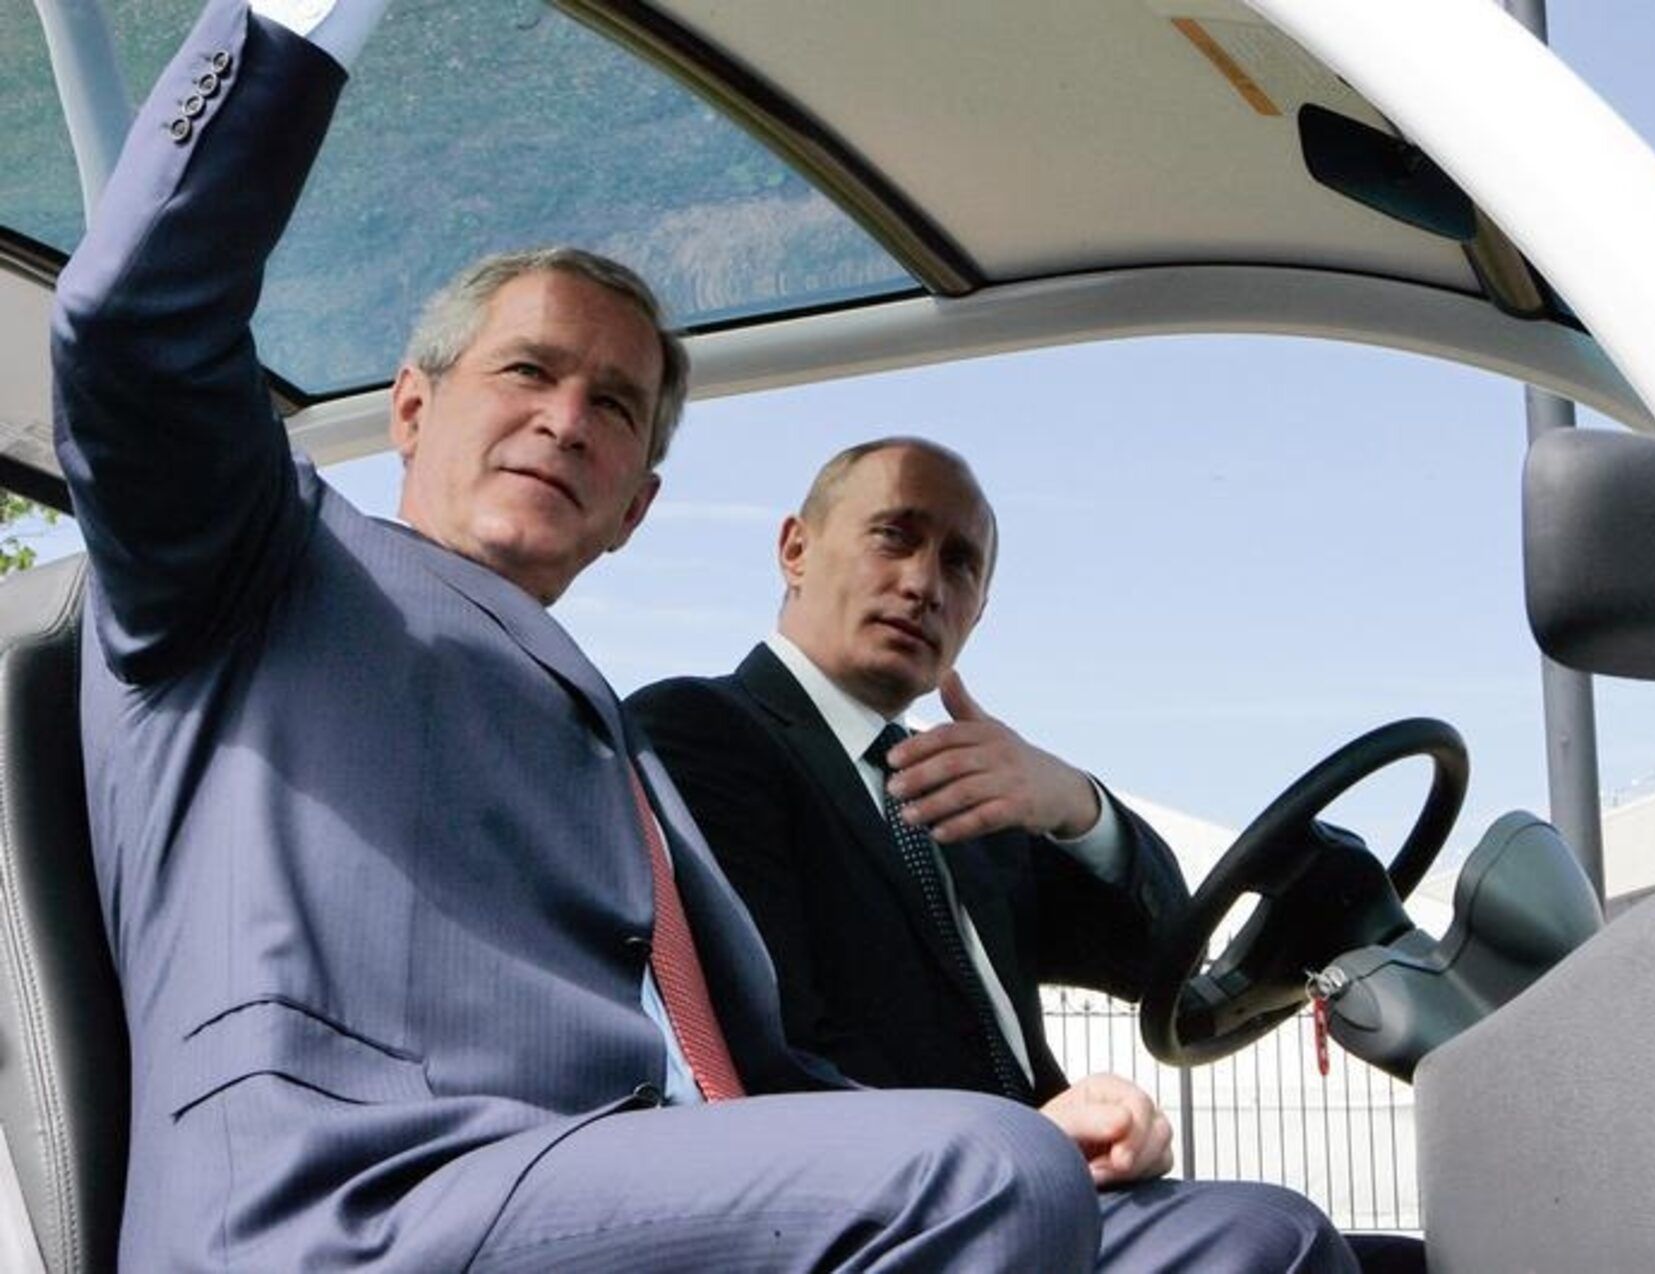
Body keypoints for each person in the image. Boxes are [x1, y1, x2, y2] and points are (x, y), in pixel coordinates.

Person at [51, 0, 1355, 1268]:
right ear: (409, 407)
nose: (567, 419)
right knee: (984, 1172)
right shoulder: (258, 561)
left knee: (1257, 1233)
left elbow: (759, 1080)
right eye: (527, 370)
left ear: (637, 507)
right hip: (362, 1200)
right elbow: (135, 329)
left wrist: (1028, 1121)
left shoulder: (615, 750)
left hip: (645, 1192)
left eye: (616, 407)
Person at [627, 438, 1191, 1103]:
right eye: (894, 537)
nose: (924, 586)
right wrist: (1023, 1138)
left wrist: (1077, 804)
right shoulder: (699, 730)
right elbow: (772, 1048)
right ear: (796, 550)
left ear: (979, 611)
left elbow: (1160, 962)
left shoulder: (972, 791)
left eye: (960, 564)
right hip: (900, 1163)